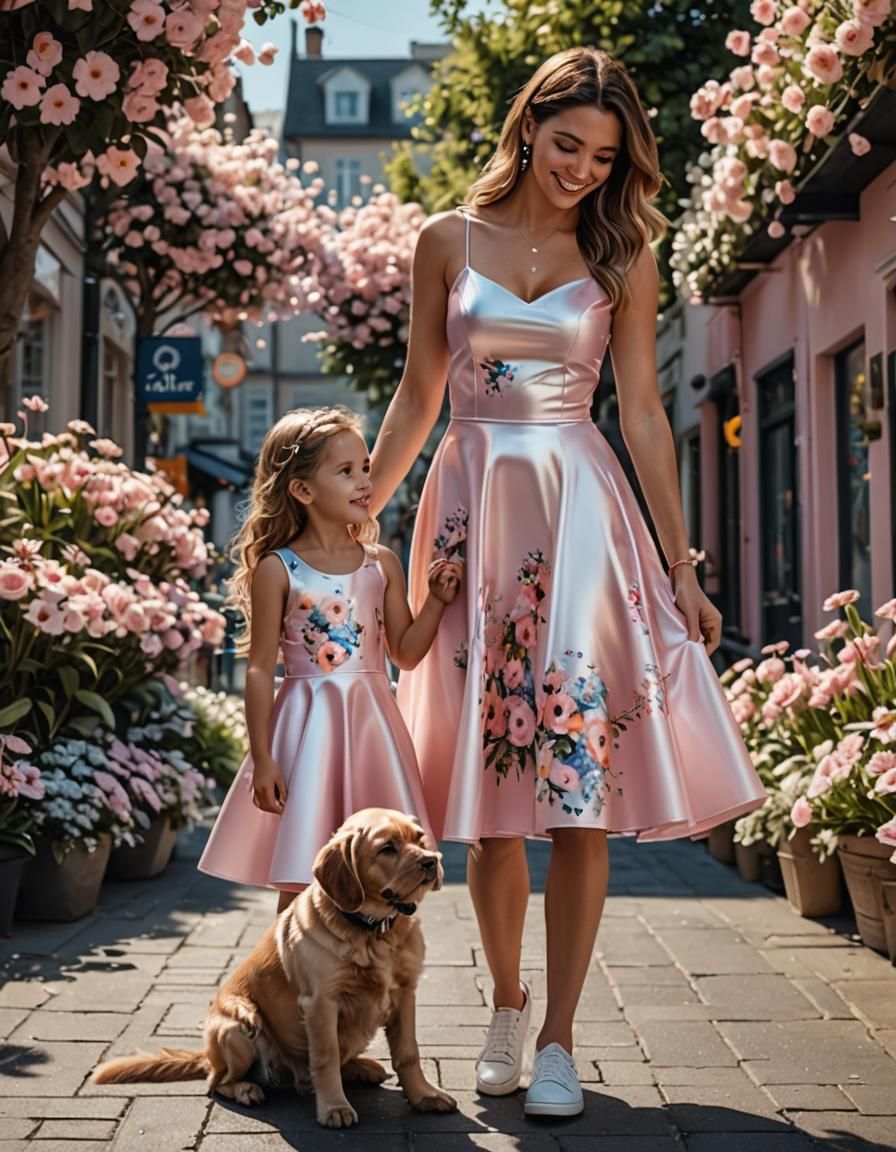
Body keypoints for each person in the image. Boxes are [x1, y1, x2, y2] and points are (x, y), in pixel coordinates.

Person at [368, 47, 765, 1118]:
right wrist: (358, 520)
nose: (583, 169)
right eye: (566, 145)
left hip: (582, 519)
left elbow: (642, 413)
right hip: (471, 508)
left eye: (603, 156)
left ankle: (557, 1040)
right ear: (526, 127)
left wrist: (681, 567)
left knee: (579, 793)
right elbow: (416, 395)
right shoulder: (446, 240)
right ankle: (504, 1006)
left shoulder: (623, 251)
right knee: (492, 805)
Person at [198, 406, 462, 913]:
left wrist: (436, 602)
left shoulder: (381, 564)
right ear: (302, 489)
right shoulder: (278, 568)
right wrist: (262, 759)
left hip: (372, 728)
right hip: (305, 730)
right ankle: (293, 959)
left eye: (365, 467)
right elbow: (259, 668)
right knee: (302, 871)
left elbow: (405, 654)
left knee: (388, 871)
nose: (365, 482)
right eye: (346, 471)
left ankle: (380, 958)